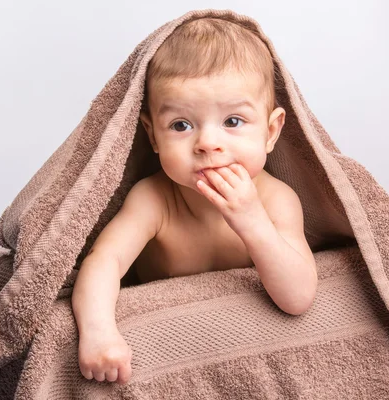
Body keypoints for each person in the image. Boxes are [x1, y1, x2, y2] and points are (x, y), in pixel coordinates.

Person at [71, 17, 317, 386]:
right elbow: (103, 262)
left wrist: (252, 221)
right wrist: (99, 332)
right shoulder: (154, 199)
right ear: (153, 136)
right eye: (181, 125)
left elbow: (298, 298)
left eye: (233, 121)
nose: (207, 143)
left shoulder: (275, 200)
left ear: (270, 132)